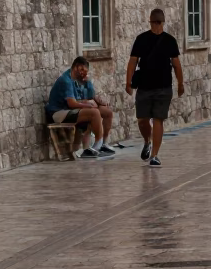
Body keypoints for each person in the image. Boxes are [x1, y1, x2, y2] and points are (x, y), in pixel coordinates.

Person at [126, 9, 184, 167]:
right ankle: (147, 141)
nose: (157, 25)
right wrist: (128, 82)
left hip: (163, 87)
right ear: (150, 22)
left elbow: (176, 65)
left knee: (158, 119)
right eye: (154, 22)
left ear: (163, 23)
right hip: (144, 87)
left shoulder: (170, 41)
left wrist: (180, 83)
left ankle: (155, 155)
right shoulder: (141, 39)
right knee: (142, 120)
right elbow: (132, 62)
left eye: (159, 22)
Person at [45, 56, 116, 158]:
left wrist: (89, 84)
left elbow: (89, 96)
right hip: (59, 112)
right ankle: (97, 145)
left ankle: (103, 144)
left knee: (107, 112)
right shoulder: (66, 80)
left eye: (85, 71)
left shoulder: (78, 80)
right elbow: (72, 103)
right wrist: (88, 105)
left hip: (71, 109)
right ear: (75, 67)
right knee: (94, 112)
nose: (83, 73)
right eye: (81, 69)